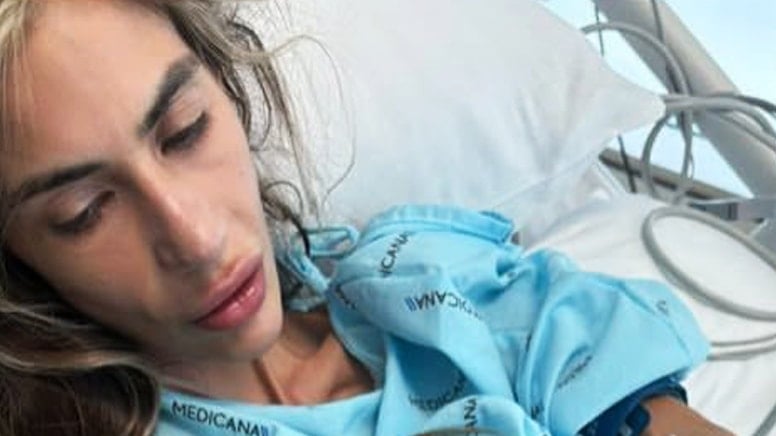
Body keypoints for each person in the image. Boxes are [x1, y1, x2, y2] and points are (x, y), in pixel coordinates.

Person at [0, 0, 734, 435]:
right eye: (83, 212)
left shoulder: (433, 274)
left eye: (186, 130)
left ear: (231, 89)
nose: (195, 240)